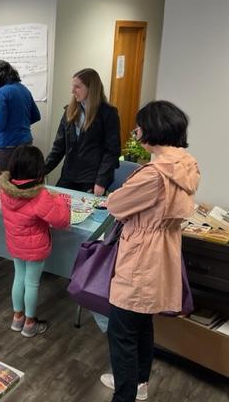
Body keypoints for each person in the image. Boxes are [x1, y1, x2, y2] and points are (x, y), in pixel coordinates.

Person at [99, 101, 199, 402]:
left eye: (139, 126)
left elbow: (116, 204)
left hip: (141, 256)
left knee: (121, 332)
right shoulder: (186, 166)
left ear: (153, 129)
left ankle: (125, 395)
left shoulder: (154, 175)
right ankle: (140, 383)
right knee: (142, 323)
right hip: (164, 253)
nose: (136, 131)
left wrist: (118, 197)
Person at [0, 145, 70, 337]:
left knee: (19, 277)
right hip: (35, 247)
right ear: (37, 170)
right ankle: (30, 323)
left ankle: (17, 318)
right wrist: (59, 199)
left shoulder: (6, 190)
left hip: (15, 243)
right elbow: (62, 220)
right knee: (32, 282)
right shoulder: (40, 195)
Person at [45, 68, 121, 195]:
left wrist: (101, 181)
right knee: (55, 202)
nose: (72, 91)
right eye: (72, 86)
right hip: (69, 175)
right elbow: (58, 148)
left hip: (92, 178)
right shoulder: (69, 111)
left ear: (91, 88)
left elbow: (112, 151)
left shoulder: (108, 113)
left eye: (77, 87)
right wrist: (41, 172)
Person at [0, 60, 41, 172]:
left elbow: (0, 125)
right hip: (27, 144)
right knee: (21, 178)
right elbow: (36, 116)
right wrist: (19, 123)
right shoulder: (24, 89)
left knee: (3, 179)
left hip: (8, 147)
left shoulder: (2, 92)